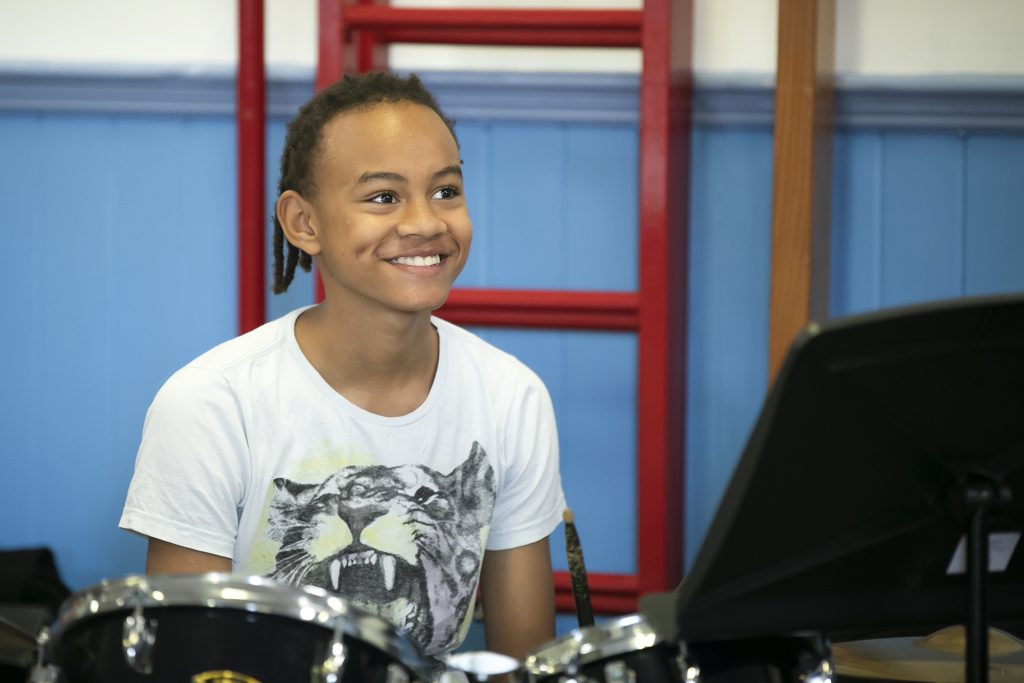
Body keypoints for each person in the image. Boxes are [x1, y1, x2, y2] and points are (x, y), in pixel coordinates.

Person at [119, 72, 565, 663]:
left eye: (446, 191)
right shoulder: (210, 404)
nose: (425, 222)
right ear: (304, 224)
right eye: (383, 197)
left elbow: (522, 662)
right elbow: (191, 664)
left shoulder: (512, 396)